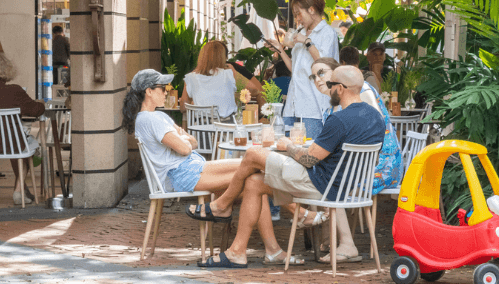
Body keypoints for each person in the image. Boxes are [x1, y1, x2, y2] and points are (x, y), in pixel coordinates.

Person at [185, 65, 385, 268]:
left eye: (332, 84)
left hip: (321, 185)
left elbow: (309, 160)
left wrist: (288, 146)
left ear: (340, 88)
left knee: (253, 154)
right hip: (348, 187)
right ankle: (239, 252)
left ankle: (220, 206)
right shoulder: (376, 117)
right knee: (254, 182)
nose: (330, 88)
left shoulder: (339, 119)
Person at [123, 69, 307, 266]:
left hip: (192, 167)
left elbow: (192, 142)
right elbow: (185, 148)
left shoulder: (158, 116)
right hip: (183, 174)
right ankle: (299, 215)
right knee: (254, 164)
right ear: (149, 91)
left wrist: (184, 140)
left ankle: (269, 242)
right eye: (162, 88)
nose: (167, 91)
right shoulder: (150, 119)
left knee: (255, 177)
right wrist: (184, 140)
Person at [311, 57, 402, 262]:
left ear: (339, 76)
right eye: (314, 76)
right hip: (358, 162)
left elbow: (369, 131)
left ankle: (344, 243)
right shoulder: (334, 105)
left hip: (381, 163)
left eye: (323, 73)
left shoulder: (363, 92)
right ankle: (329, 239)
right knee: (327, 173)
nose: (319, 80)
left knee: (329, 180)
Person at [267, 0, 339, 139]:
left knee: (309, 150)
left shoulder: (327, 33)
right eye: (295, 14)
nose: (297, 18)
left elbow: (323, 65)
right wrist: (280, 50)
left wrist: (307, 42)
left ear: (311, 10)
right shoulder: (301, 33)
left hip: (313, 107)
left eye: (299, 13)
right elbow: (294, 69)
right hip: (292, 104)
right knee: (285, 147)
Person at [0, 53, 44, 205]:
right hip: (12, 143)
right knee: (28, 147)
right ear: (7, 71)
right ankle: (18, 190)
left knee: (18, 146)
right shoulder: (15, 90)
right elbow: (36, 110)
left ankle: (21, 189)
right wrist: (41, 103)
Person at [180, 41, 237, 122]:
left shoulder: (191, 77)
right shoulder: (229, 73)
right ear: (223, 57)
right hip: (226, 126)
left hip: (201, 127)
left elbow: (183, 108)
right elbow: (249, 89)